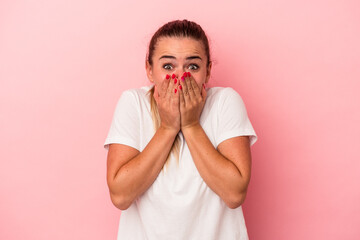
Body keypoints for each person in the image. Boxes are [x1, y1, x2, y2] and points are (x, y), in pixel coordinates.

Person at [103, 19, 258, 240]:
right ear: (149, 70)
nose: (179, 77)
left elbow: (235, 194)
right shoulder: (133, 103)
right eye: (168, 66)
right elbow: (120, 196)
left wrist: (191, 124)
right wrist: (168, 127)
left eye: (192, 66)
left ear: (208, 70)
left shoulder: (225, 102)